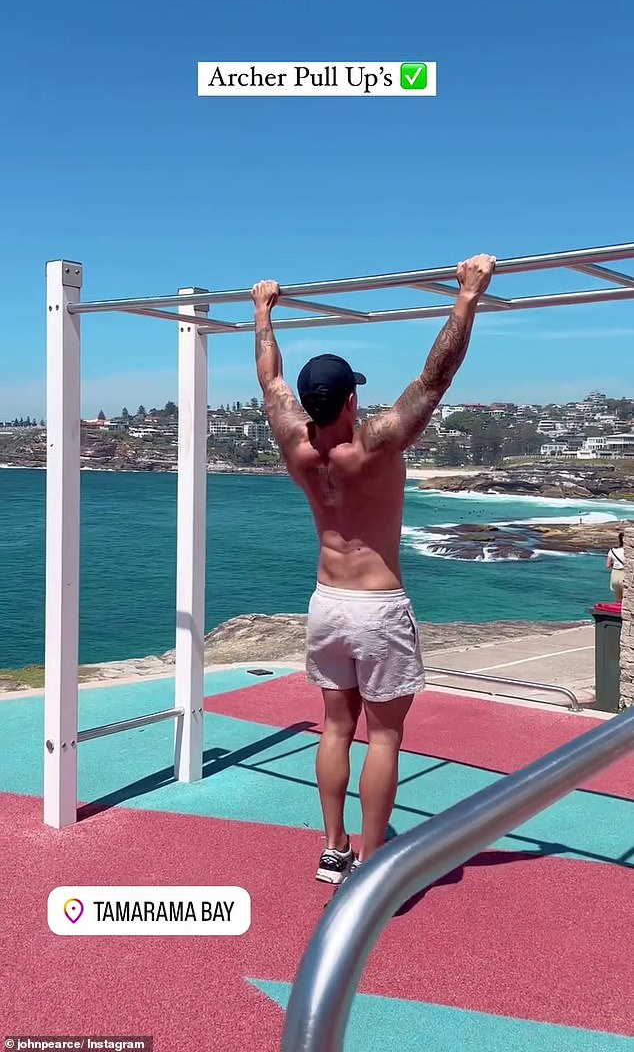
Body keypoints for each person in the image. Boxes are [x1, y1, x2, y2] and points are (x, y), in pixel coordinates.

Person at [251, 253, 496, 884]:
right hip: (379, 607)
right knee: (382, 738)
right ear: (353, 396)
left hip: (327, 602)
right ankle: (369, 859)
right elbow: (435, 377)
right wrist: (467, 294)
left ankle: (334, 848)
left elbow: (269, 382)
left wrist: (262, 312)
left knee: (336, 726)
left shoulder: (292, 441)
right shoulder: (379, 441)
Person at [606, 532, 625, 602]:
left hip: (615, 574)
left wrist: (614, 564)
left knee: (618, 598)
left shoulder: (612, 551)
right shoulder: (628, 551)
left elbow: (607, 565)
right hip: (624, 574)